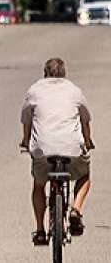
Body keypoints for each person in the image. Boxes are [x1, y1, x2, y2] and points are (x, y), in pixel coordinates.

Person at [22, 57, 94, 246]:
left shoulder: (34, 90)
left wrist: (25, 141)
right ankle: (76, 209)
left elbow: (26, 121)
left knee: (39, 184)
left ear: (45, 73)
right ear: (64, 74)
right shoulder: (74, 90)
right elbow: (85, 121)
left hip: (42, 150)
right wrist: (87, 142)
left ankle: (40, 230)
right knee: (84, 175)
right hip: (71, 149)